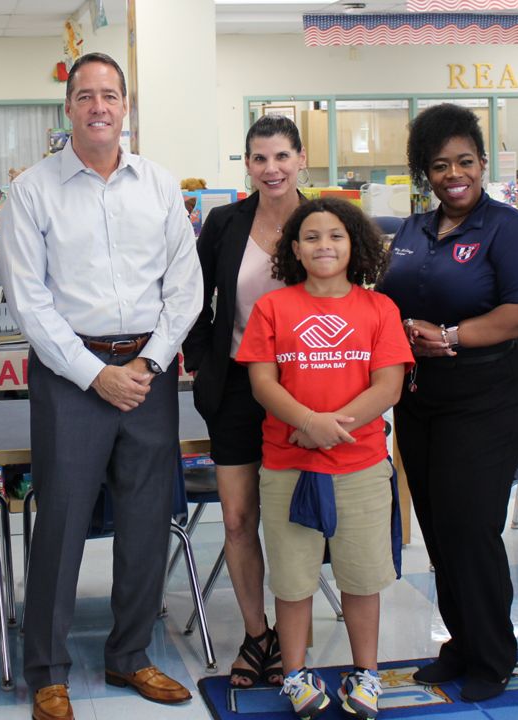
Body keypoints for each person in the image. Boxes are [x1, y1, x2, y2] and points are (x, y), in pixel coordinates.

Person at [0, 52, 203, 720]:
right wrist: (94, 374)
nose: (98, 107)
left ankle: (131, 656)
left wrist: (146, 366)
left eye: (109, 95)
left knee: (147, 519)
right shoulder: (31, 191)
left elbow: (186, 287)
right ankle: (47, 671)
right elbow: (27, 302)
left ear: (125, 106)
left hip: (148, 371)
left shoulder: (160, 185)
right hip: (69, 376)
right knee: (59, 521)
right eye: (84, 95)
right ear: (69, 108)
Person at [376, 103, 518, 703]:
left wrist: (450, 335)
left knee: (471, 526)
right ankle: (460, 640)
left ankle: (492, 653)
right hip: (421, 398)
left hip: (488, 394)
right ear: (425, 172)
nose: (455, 174)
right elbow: (385, 300)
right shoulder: (414, 230)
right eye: (441, 165)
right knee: (437, 524)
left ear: (482, 162)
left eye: (466, 162)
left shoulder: (506, 227)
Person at [238, 197, 411, 720]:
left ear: (353, 244)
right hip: (289, 467)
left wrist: (334, 427)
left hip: (360, 466)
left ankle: (366, 673)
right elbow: (262, 381)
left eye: (335, 235)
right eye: (311, 237)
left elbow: (389, 385)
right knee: (293, 582)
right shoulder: (274, 308)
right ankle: (294, 673)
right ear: (294, 249)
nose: (324, 246)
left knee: (362, 579)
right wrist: (307, 424)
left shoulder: (379, 308)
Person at [181, 114, 308, 689]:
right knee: (237, 518)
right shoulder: (226, 222)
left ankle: (293, 636)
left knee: (291, 520)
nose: (271, 168)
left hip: (306, 391)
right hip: (235, 387)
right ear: (248, 165)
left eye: (281, 156)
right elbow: (194, 297)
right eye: (259, 158)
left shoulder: (325, 223)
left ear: (300, 159)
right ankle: (258, 637)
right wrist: (203, 363)